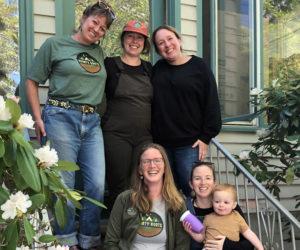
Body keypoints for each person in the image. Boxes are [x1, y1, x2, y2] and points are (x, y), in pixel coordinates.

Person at [26, 1, 115, 249]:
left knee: (97, 184)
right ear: (84, 18)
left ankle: (88, 239)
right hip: (61, 116)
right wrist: (37, 118)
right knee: (63, 184)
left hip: (92, 121)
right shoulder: (55, 44)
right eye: (94, 22)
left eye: (103, 28)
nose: (97, 29)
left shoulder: (99, 54)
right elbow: (32, 80)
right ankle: (66, 240)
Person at [151, 25, 222, 197]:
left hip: (190, 144)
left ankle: (199, 225)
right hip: (162, 145)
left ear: (179, 40)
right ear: (158, 50)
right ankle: (176, 225)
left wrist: (206, 137)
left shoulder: (199, 66)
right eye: (161, 43)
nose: (167, 45)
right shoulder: (157, 70)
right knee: (168, 194)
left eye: (170, 39)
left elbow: (211, 103)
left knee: (194, 193)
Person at [102, 20, 152, 210]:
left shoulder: (149, 69)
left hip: (144, 137)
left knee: (142, 184)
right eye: (130, 36)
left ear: (144, 43)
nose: (134, 41)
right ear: (123, 39)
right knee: (118, 186)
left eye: (139, 37)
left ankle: (139, 232)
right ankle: (118, 234)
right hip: (115, 135)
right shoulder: (110, 64)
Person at [104, 143, 190, 250]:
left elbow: (182, 246)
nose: (152, 165)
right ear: (140, 170)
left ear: (165, 168)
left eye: (157, 160)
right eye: (146, 162)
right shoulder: (124, 199)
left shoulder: (178, 203)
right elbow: (110, 242)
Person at [184, 162, 254, 250]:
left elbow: (249, 244)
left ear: (214, 183)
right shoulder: (185, 209)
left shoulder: (229, 207)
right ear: (191, 184)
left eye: (208, 178)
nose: (203, 182)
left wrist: (226, 245)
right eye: (197, 178)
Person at [184, 183, 264, 250]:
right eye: (217, 201)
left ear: (234, 205)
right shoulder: (208, 218)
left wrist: (260, 248)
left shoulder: (236, 217)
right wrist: (191, 232)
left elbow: (249, 234)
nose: (221, 205)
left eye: (226, 202)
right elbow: (201, 237)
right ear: (212, 202)